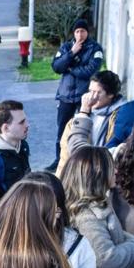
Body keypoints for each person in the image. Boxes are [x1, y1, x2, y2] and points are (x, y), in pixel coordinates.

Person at [60, 69, 134, 157]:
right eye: (90, 91)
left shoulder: (122, 116)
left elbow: (79, 151)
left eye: (97, 92)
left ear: (111, 94)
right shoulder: (84, 115)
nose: (91, 97)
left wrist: (83, 111)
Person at [49, 19, 104, 169]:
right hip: (65, 95)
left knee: (85, 127)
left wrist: (71, 69)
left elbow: (90, 71)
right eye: (77, 31)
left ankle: (84, 160)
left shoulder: (95, 49)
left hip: (84, 96)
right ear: (74, 33)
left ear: (88, 32)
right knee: (62, 128)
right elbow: (56, 66)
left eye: (83, 31)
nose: (80, 34)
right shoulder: (66, 47)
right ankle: (58, 160)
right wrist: (72, 53)